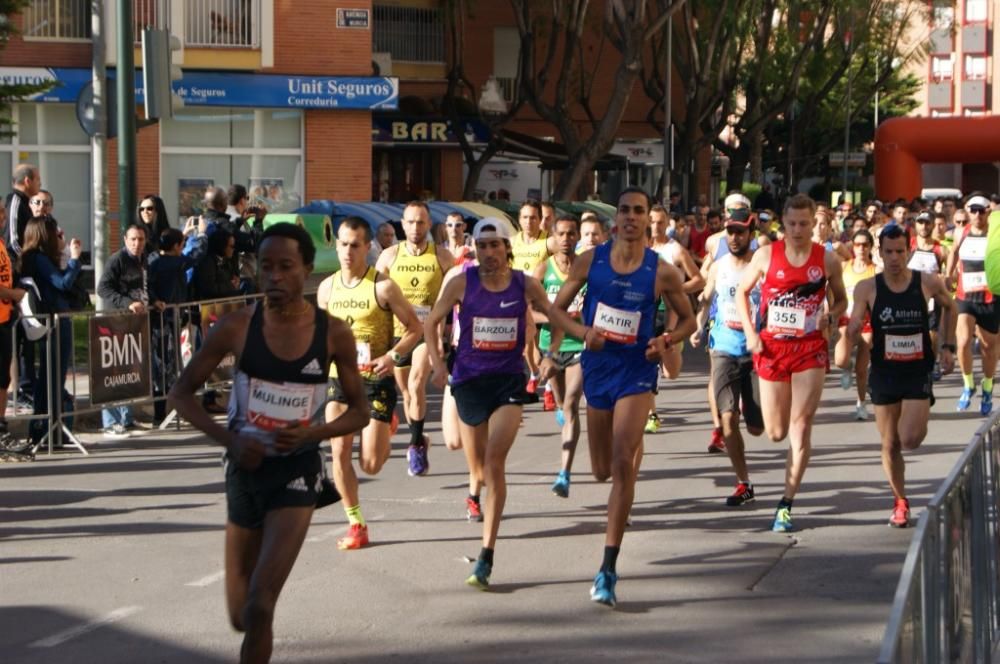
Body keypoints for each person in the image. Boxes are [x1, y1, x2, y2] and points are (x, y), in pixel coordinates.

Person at [168, 223, 369, 664]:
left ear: (307, 271)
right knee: (241, 615)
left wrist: (313, 434)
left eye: (286, 267)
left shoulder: (333, 334)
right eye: (266, 267)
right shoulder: (236, 328)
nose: (274, 276)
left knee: (261, 604)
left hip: (296, 471)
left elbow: (360, 411)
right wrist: (230, 440)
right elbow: (180, 394)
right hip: (244, 470)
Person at [544, 187, 696, 608]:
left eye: (639, 211)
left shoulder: (661, 271)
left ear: (649, 219)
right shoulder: (590, 261)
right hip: (598, 367)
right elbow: (555, 309)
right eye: (625, 210)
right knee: (598, 471)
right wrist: (582, 334)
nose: (631, 217)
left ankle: (608, 569)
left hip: (636, 368)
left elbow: (688, 319)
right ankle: (622, 466)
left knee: (622, 460)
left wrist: (665, 339)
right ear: (616, 218)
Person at [425, 218, 550, 590]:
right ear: (475, 250)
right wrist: (436, 363)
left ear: (506, 249)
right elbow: (431, 321)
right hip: (468, 381)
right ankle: (474, 491)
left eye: (496, 245)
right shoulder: (462, 282)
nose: (490, 252)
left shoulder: (524, 283)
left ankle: (486, 555)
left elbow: (552, 316)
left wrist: (549, 354)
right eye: (483, 246)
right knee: (478, 468)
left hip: (508, 382)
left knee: (495, 462)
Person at [736, 193, 848, 533]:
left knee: (800, 426)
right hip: (771, 348)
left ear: (814, 223)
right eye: (792, 223)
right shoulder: (766, 255)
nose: (798, 230)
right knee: (775, 432)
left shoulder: (827, 260)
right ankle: (750, 398)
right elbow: (742, 293)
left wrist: (831, 315)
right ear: (782, 223)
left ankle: (785, 504)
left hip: (810, 350)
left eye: (804, 223)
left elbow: (842, 299)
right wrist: (751, 332)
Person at [318, 217, 422, 550]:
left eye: (355, 245)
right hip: (340, 381)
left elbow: (414, 329)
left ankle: (388, 422)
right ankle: (356, 524)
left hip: (375, 380)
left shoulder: (382, 286)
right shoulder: (326, 288)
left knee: (371, 464)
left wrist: (391, 357)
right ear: (336, 246)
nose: (348, 252)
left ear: (367, 247)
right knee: (338, 451)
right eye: (343, 244)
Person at [847, 224, 956, 527]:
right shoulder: (868, 288)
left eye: (900, 252)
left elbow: (951, 306)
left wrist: (947, 346)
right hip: (883, 371)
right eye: (889, 252)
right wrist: (852, 329)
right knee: (889, 443)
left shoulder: (927, 282)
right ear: (879, 254)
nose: (895, 258)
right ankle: (900, 501)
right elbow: (856, 317)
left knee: (910, 439)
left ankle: (918, 417)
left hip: (916, 370)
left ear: (908, 251)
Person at [375, 200, 453, 476]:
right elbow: (378, 300)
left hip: (428, 333)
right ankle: (420, 438)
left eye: (421, 222)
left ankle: (415, 446)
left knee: (416, 381)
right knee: (407, 394)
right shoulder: (389, 257)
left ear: (429, 224)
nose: (415, 227)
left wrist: (446, 332)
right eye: (410, 222)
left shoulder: (442, 257)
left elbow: (452, 299)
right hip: (398, 335)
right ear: (402, 224)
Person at [691, 210, 764, 506]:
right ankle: (743, 483)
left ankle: (750, 404)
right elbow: (708, 297)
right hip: (723, 347)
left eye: (741, 232)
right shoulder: (719, 266)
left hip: (756, 350)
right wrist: (698, 325)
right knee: (729, 420)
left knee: (758, 427)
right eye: (730, 232)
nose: (735, 238)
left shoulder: (761, 266)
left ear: (751, 234)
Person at [532, 214, 586, 497]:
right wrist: (554, 316)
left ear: (577, 237)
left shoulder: (586, 268)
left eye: (571, 234)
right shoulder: (543, 270)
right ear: (553, 238)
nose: (566, 239)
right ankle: (559, 408)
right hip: (550, 349)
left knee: (572, 406)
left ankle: (564, 472)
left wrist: (580, 317)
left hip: (578, 346)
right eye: (561, 234)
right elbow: (527, 310)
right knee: (563, 404)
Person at [19, 217, 81, 446]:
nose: (59, 238)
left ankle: (43, 429)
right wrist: (74, 260)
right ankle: (49, 430)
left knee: (48, 376)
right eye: (56, 234)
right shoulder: (40, 258)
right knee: (54, 376)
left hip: (48, 321)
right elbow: (62, 283)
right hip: (55, 319)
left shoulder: (30, 257)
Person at [97, 224, 163, 436]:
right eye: (133, 239)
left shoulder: (143, 260)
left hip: (135, 323)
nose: (137, 244)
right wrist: (126, 303)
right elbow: (103, 288)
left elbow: (144, 287)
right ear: (125, 239)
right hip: (116, 321)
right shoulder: (117, 260)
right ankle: (110, 421)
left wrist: (154, 300)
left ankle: (126, 418)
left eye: (141, 240)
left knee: (129, 372)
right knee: (114, 371)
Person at [945, 194, 997, 415]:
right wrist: (948, 274)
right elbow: (953, 252)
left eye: (981, 210)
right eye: (973, 210)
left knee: (988, 347)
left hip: (990, 297)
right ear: (967, 211)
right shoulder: (960, 232)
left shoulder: (995, 235)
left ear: (988, 212)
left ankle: (987, 385)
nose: (977, 214)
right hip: (965, 296)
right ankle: (968, 384)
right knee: (963, 341)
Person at [148, 228, 195, 425]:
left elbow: (148, 284)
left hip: (163, 316)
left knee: (164, 365)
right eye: (182, 243)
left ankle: (163, 412)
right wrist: (199, 236)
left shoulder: (154, 261)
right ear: (177, 246)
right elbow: (196, 256)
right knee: (167, 365)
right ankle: (163, 413)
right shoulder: (176, 262)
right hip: (166, 319)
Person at [833, 229, 877, 420]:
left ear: (870, 247)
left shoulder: (875, 270)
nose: (861, 248)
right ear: (852, 245)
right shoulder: (844, 267)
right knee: (840, 360)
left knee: (862, 368)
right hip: (846, 319)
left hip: (867, 322)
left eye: (865, 245)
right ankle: (847, 367)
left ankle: (861, 403)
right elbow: (833, 290)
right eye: (857, 244)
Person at [0, 206, 25, 445]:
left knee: (3, 379)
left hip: (4, 319)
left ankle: (1, 428)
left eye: (3, 212)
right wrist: (15, 293)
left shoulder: (1, 245)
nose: (3, 217)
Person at [193, 228, 241, 301]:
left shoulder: (227, 261)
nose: (233, 249)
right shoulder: (207, 262)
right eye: (231, 246)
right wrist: (231, 285)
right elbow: (208, 288)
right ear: (222, 246)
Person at [4, 163, 40, 259]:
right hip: (18, 268)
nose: (40, 184)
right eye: (37, 179)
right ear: (27, 181)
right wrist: (28, 261)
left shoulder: (24, 203)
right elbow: (12, 243)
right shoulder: (15, 202)